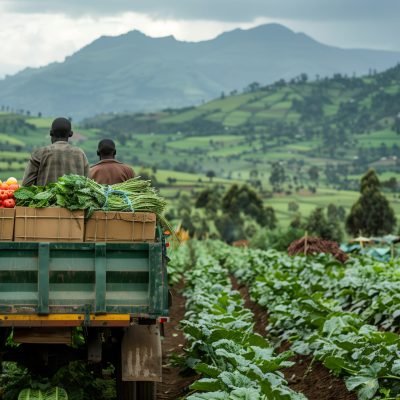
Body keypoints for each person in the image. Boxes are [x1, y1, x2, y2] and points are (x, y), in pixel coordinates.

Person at [22, 117, 89, 186]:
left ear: (51, 133)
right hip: (74, 197)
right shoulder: (80, 154)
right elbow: (87, 184)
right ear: (70, 134)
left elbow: (26, 184)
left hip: (45, 197)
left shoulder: (39, 153)